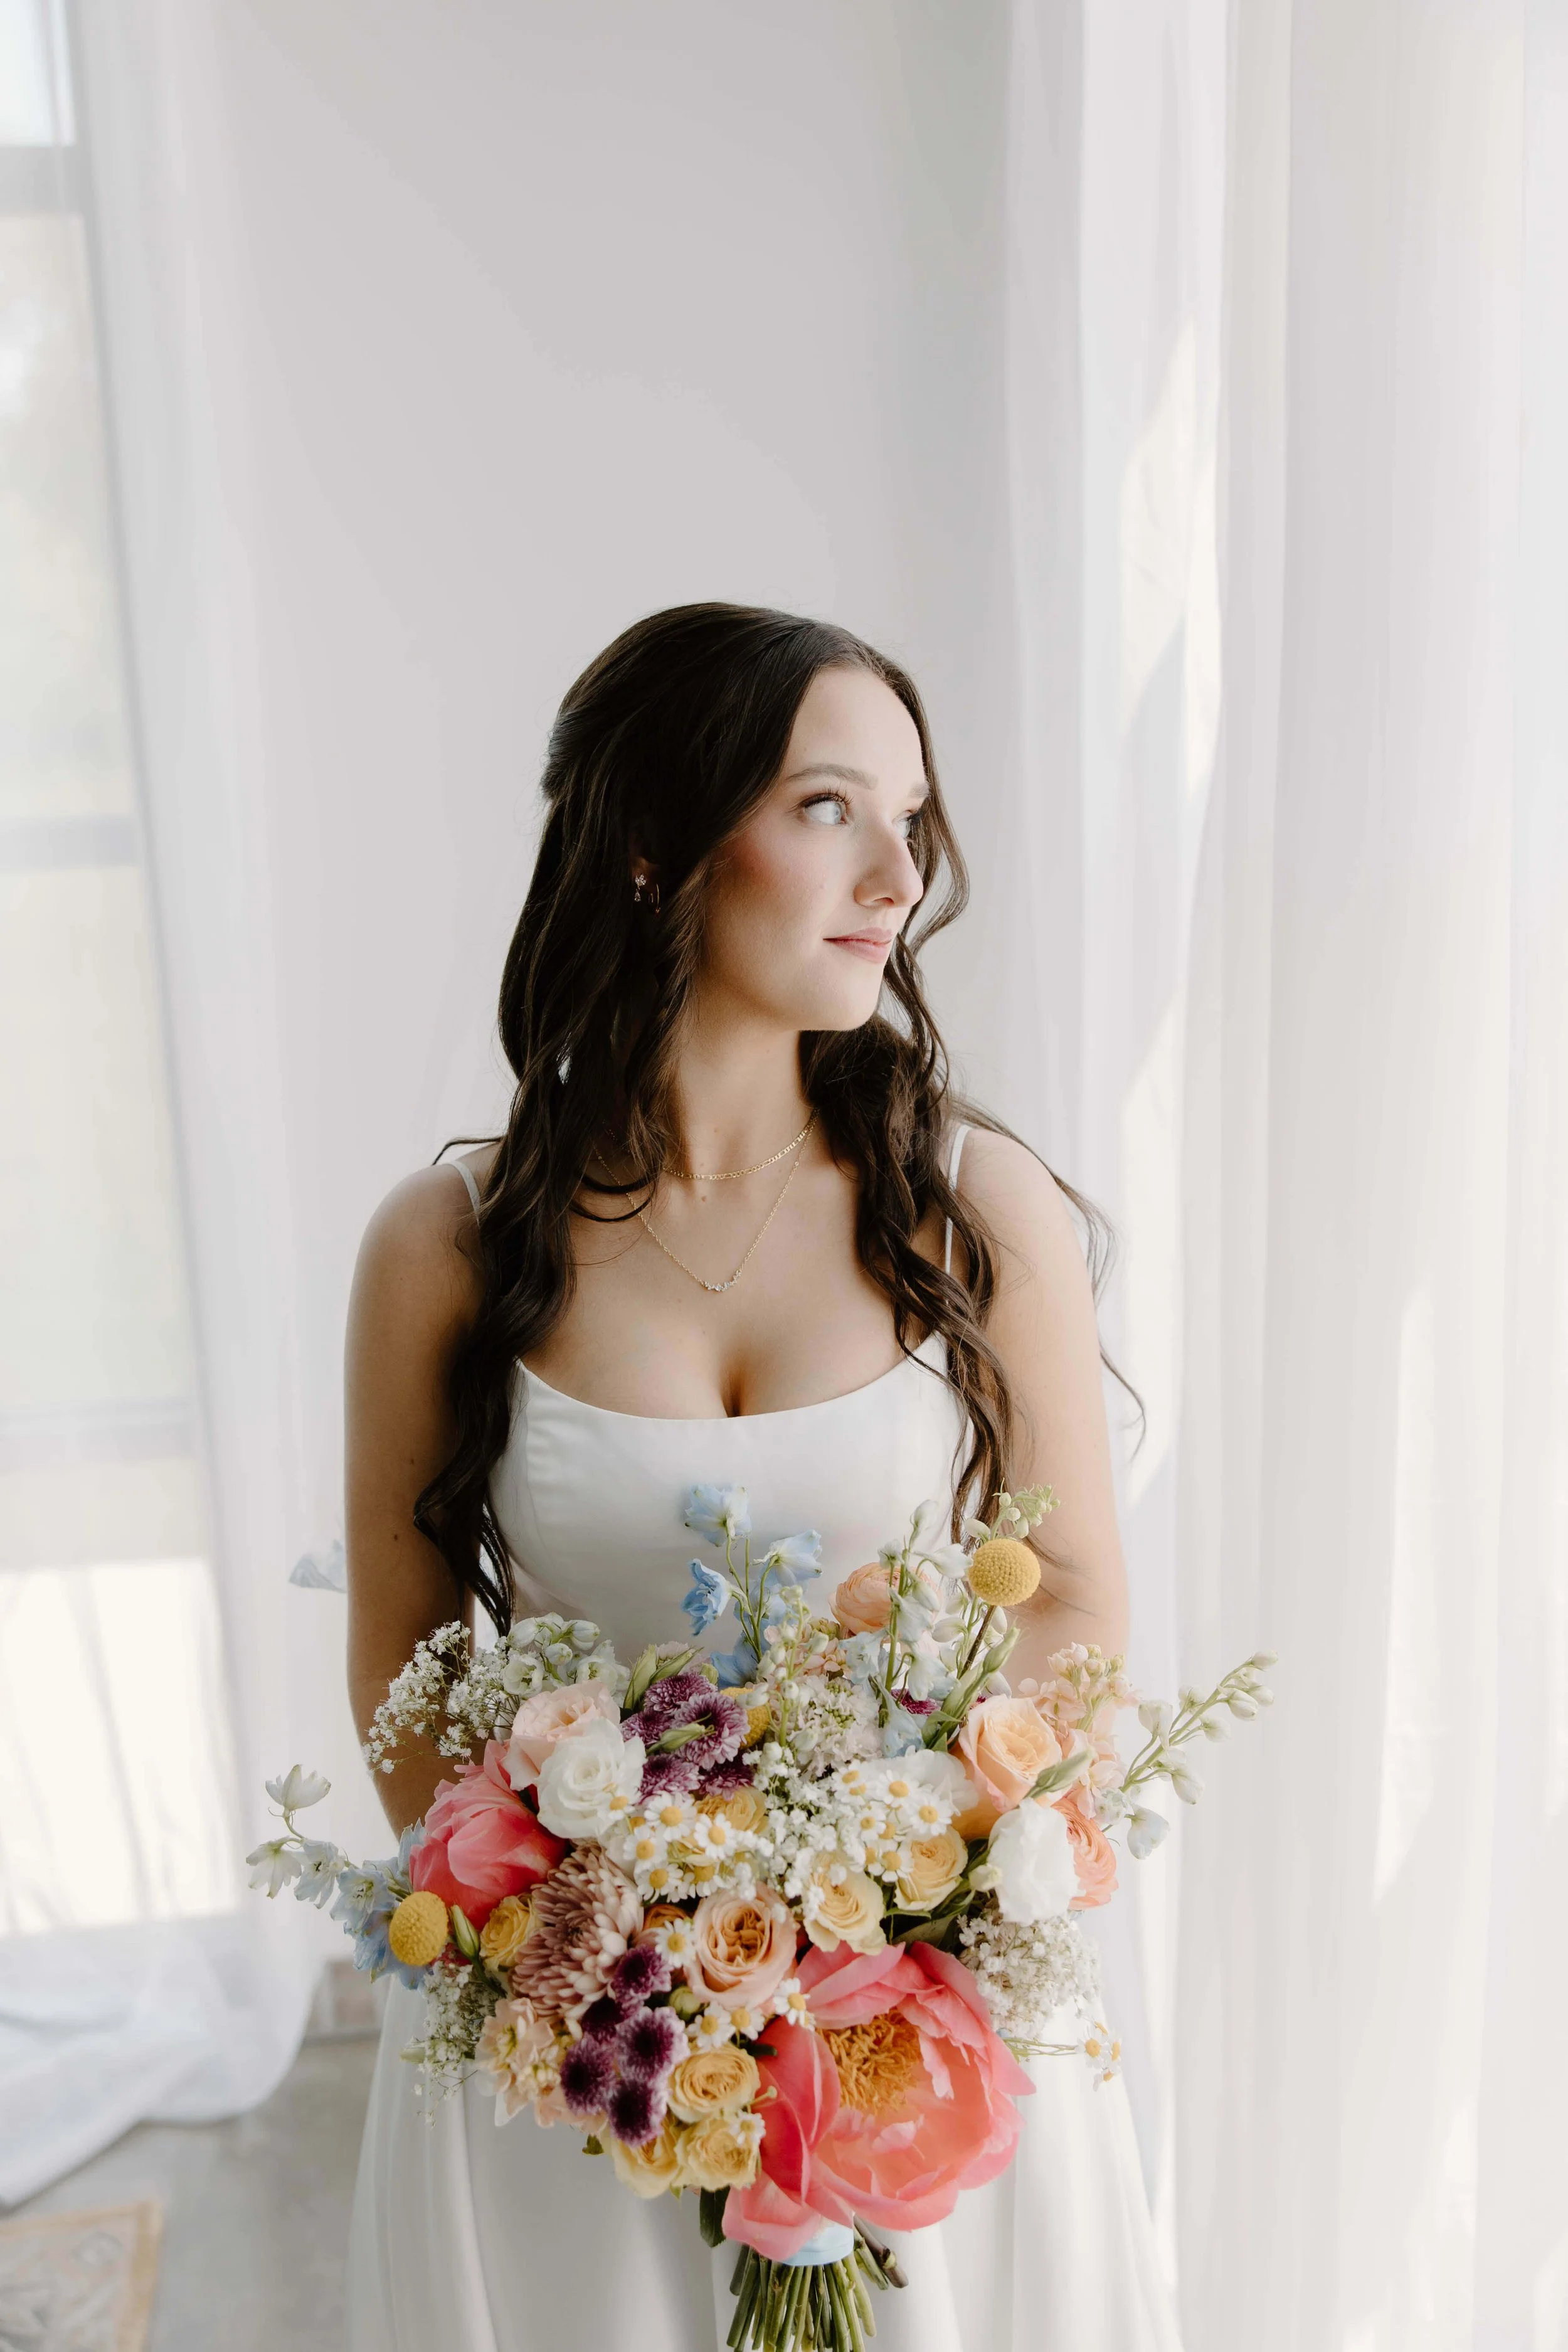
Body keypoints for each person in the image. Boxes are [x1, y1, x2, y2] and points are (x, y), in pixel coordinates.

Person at [342, 604, 1180, 2349]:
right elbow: (400, 1649)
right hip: (590, 2040)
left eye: (910, 816)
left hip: (916, 2027)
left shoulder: (974, 1207)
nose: (896, 870)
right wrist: (574, 1959)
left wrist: (895, 1892)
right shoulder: (446, 1241)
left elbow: (1081, 1598)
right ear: (655, 841)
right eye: (826, 806)